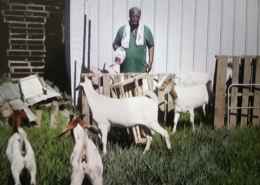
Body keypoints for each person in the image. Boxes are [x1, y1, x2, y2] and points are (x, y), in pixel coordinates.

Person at [113, 7, 154, 73]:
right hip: (126, 69)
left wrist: (150, 62)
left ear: (140, 17)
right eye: (133, 16)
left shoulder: (145, 30)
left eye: (137, 17)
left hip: (141, 69)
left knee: (141, 83)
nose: (135, 18)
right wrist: (120, 51)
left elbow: (151, 45)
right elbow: (115, 44)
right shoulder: (122, 30)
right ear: (129, 16)